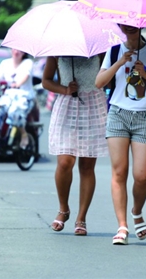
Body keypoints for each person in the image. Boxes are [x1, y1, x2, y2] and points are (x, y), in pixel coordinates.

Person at [95, 24, 146, 245]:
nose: (128, 29)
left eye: (133, 26)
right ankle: (122, 226)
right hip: (118, 114)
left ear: (142, 26)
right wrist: (120, 62)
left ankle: (136, 211)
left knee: (142, 175)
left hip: (144, 116)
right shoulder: (115, 51)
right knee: (119, 172)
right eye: (124, 26)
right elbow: (99, 82)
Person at [42, 55, 108, 236]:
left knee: (87, 166)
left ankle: (81, 217)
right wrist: (64, 89)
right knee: (64, 162)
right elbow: (46, 81)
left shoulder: (98, 50)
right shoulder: (57, 52)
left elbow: (108, 78)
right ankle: (63, 209)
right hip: (67, 106)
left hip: (94, 105)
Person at [0, 48, 35, 149]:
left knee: (14, 112)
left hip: (24, 96)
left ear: (24, 52)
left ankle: (24, 134)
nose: (16, 52)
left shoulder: (28, 63)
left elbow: (25, 76)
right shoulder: (5, 63)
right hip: (8, 95)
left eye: (20, 50)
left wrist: (17, 84)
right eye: (14, 49)